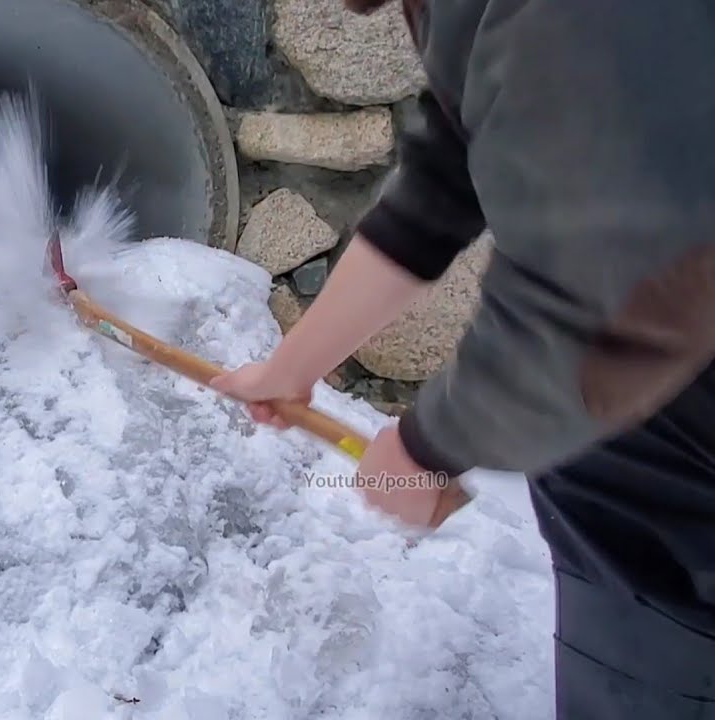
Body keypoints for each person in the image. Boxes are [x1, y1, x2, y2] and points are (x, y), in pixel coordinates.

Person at [210, 0, 715, 717]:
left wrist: (430, 445)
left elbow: (605, 292)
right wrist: (295, 364)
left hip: (678, 467)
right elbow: (445, 176)